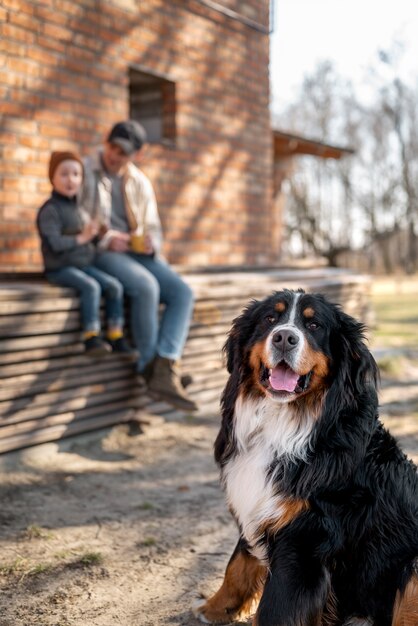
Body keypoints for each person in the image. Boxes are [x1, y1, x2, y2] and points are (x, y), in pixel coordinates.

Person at [80, 120, 197, 412]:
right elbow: (76, 217)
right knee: (146, 286)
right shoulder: (85, 170)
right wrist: (108, 238)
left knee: (183, 292)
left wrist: (150, 243)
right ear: (106, 142)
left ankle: (165, 366)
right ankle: (148, 365)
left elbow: (154, 228)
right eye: (113, 147)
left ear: (137, 155)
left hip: (139, 254)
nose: (115, 155)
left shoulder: (140, 181)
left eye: (123, 152)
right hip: (100, 252)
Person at [36, 150, 138, 360]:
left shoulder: (80, 210)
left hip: (82, 266)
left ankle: (115, 334)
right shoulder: (50, 210)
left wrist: (100, 234)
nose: (70, 179)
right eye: (64, 174)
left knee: (114, 286)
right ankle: (91, 336)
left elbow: (89, 238)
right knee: (91, 286)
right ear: (52, 177)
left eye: (76, 174)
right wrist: (82, 238)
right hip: (59, 268)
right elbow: (54, 244)